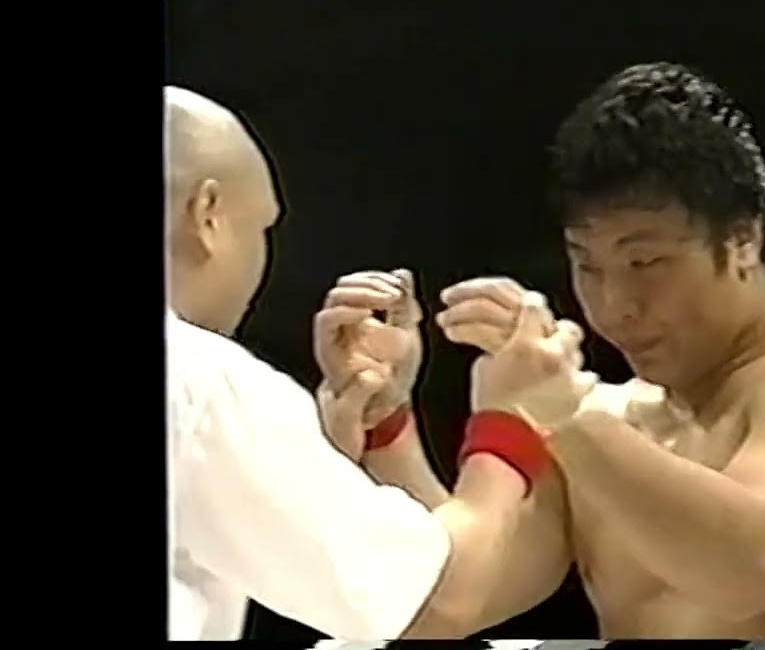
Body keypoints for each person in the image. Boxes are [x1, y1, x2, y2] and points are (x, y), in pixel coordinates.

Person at [319, 62, 765, 640]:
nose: (615, 306)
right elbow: (451, 600)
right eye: (588, 266)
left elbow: (747, 571)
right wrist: (388, 424)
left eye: (646, 263)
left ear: (743, 240)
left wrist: (564, 411)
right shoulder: (608, 424)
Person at [164, 86, 596, 641]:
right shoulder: (200, 378)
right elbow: (439, 603)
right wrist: (509, 417)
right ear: (207, 214)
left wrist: (379, 429)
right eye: (262, 227)